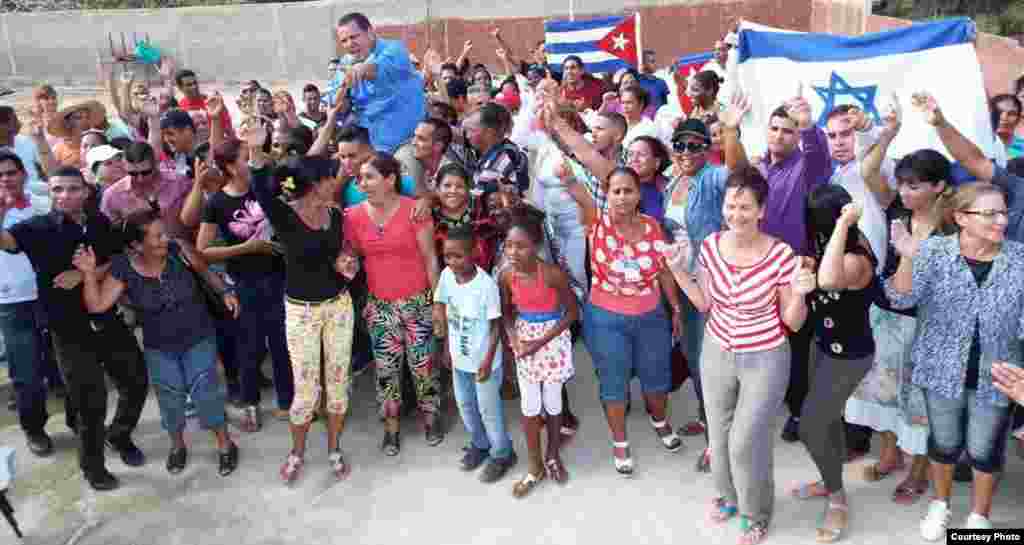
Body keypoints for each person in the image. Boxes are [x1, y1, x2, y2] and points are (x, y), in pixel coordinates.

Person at [665, 167, 815, 545]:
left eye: (745, 207)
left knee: (745, 442)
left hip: (765, 357)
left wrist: (800, 292)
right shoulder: (712, 246)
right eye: (731, 206)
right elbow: (704, 302)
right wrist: (677, 270)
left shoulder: (781, 255)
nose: (736, 214)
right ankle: (729, 497)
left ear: (762, 210)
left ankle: (756, 513)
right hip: (717, 352)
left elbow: (792, 323)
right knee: (718, 435)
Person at [0, 167, 149, 491]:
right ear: (50, 194)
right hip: (67, 330)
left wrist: (84, 275)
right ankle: (93, 468)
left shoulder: (98, 222)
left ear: (85, 191)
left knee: (136, 381)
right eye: (57, 190)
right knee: (89, 402)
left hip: (107, 319)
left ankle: (119, 435)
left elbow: (114, 257)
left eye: (71, 189)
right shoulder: (38, 227)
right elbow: (7, 241)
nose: (64, 196)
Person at [73, 210, 240, 476]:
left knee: (205, 394)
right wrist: (89, 274)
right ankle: (177, 447)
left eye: (165, 232)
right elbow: (97, 305)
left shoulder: (179, 250)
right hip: (159, 347)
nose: (166, 238)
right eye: (158, 235)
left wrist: (225, 292)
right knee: (170, 400)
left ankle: (225, 444)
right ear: (137, 245)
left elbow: (205, 271)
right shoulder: (123, 267)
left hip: (199, 337)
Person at [244, 124, 360, 483]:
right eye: (331, 177)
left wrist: (345, 263)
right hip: (302, 312)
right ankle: (297, 452)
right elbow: (263, 191)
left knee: (338, 385)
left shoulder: (337, 216)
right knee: (306, 389)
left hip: (338, 307)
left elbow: (338, 256)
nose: (336, 181)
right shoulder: (287, 216)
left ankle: (334, 447)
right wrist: (256, 152)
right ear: (316, 183)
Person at [723, 89, 832, 444]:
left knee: (795, 346)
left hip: (790, 271)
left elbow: (818, 157)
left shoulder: (806, 166)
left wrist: (810, 127)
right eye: (774, 128)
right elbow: (736, 176)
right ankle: (754, 404)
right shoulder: (758, 168)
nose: (780, 135)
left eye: (788, 130)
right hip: (752, 268)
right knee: (755, 339)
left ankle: (798, 411)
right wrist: (731, 130)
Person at [566, 163, 684, 475]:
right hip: (606, 319)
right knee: (614, 382)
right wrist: (566, 175)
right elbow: (578, 192)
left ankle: (660, 421)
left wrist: (674, 307)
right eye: (615, 191)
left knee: (657, 376)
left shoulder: (653, 226)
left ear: (637, 195)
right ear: (607, 194)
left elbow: (663, 270)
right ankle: (620, 440)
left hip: (650, 317)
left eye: (627, 190)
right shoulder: (596, 222)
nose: (621, 197)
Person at [790, 189, 877, 543]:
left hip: (849, 355)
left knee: (810, 427)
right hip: (822, 344)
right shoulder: (828, 241)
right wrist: (808, 264)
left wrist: (843, 223)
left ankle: (837, 498)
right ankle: (830, 478)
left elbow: (830, 280)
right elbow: (819, 275)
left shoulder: (856, 255)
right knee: (825, 422)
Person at [343, 152, 443, 454]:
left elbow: (430, 259)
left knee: (423, 367)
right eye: (360, 178)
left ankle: (431, 418)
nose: (363, 183)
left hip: (418, 303)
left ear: (390, 179)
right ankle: (391, 428)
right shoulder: (353, 217)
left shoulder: (415, 210)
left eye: (370, 177)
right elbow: (351, 254)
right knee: (386, 371)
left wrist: (437, 305)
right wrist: (345, 263)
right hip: (381, 307)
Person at [198, 138, 294, 430]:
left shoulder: (265, 187)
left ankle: (286, 402)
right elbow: (203, 250)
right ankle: (250, 403)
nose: (253, 161)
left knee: (282, 343)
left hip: (279, 278)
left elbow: (294, 185)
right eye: (245, 157)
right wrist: (247, 249)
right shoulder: (217, 202)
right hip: (244, 284)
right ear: (229, 166)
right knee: (250, 348)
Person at [664, 119, 728, 468]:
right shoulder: (672, 182)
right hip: (683, 285)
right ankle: (707, 419)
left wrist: (730, 132)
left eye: (695, 145)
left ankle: (717, 443)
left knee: (710, 366)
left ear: (708, 149)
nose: (687, 152)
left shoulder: (714, 177)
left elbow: (740, 176)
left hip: (710, 284)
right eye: (680, 145)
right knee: (693, 357)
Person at [499, 215, 577, 496]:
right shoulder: (506, 276)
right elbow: (506, 313)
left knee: (553, 401)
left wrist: (539, 342)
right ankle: (535, 466)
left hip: (553, 339)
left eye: (521, 246)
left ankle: (553, 455)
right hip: (524, 341)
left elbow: (572, 313)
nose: (513, 253)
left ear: (536, 245)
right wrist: (514, 339)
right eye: (508, 246)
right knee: (530, 405)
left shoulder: (552, 274)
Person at [434, 226, 518, 484]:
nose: (452, 262)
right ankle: (480, 444)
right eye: (448, 256)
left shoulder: (486, 286)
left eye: (458, 256)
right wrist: (447, 345)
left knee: (488, 410)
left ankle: (502, 453)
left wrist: (487, 360)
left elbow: (495, 327)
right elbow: (445, 307)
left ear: (474, 253)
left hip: (485, 364)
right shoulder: (447, 277)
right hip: (460, 361)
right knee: (466, 407)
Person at [0, 151, 70, 458]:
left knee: (66, 365)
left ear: (23, 174)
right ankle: (34, 429)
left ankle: (79, 421)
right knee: (26, 374)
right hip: (11, 303)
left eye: (10, 172)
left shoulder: (43, 204)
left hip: (51, 296)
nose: (5, 179)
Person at [333, 12, 427, 152]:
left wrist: (361, 69)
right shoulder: (345, 62)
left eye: (354, 37)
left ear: (370, 32)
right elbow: (337, 107)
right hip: (370, 145)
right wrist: (343, 89)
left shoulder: (395, 50)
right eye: (344, 41)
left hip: (408, 143)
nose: (349, 44)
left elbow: (378, 68)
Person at [99, 141, 193, 240]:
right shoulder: (112, 195)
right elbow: (107, 234)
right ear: (124, 167)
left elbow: (197, 220)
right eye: (133, 173)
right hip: (140, 252)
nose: (140, 179)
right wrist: (129, 221)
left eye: (146, 172)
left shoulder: (180, 183)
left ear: (156, 164)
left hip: (181, 247)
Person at [174, 68, 235, 141]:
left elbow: (229, 130)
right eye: (189, 85)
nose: (194, 87)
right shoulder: (179, 108)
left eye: (195, 83)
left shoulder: (213, 103)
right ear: (180, 88)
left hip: (217, 147)